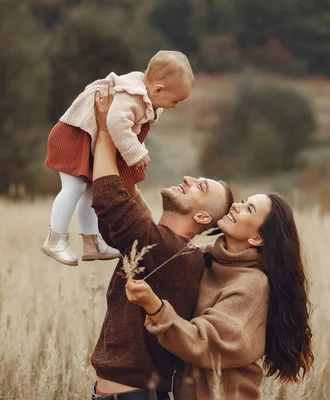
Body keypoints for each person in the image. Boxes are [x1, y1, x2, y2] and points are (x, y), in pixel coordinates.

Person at [89, 84, 234, 399]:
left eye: (201, 187)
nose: (188, 179)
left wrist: (104, 131)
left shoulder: (174, 253)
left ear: (203, 219)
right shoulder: (167, 247)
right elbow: (120, 220)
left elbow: (110, 201)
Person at [125, 193, 314, 399]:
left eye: (249, 209)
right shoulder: (208, 258)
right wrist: (132, 194)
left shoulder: (253, 285)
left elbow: (205, 343)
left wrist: (155, 307)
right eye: (243, 202)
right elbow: (159, 243)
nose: (235, 206)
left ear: (257, 238)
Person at [42, 50, 195, 266]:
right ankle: (55, 239)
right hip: (75, 136)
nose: (174, 106)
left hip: (87, 139)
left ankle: (91, 241)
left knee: (91, 191)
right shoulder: (131, 95)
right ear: (158, 89)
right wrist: (135, 153)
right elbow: (116, 123)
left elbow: (132, 129)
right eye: (175, 100)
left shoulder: (147, 97)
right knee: (73, 188)